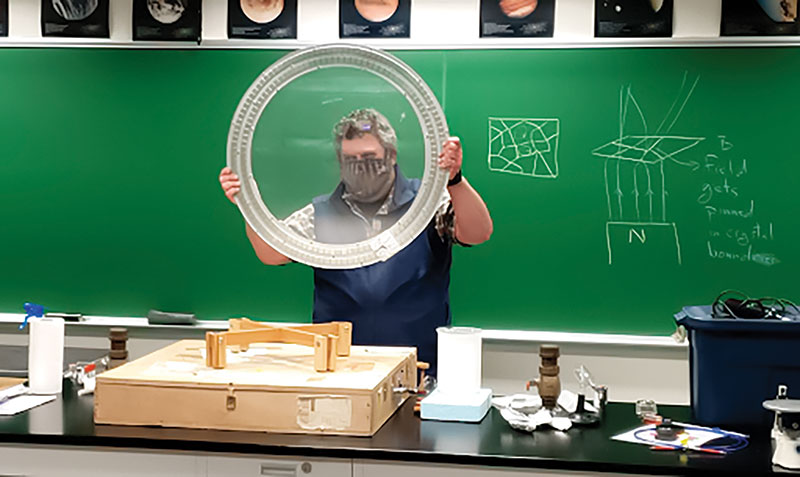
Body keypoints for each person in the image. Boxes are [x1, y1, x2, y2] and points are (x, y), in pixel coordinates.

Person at [219, 108, 492, 374]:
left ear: (391, 155)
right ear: (340, 162)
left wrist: (455, 181)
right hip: (340, 373)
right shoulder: (320, 214)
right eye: (351, 159)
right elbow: (270, 253)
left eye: (370, 156)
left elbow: (478, 232)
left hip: (419, 373)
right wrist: (248, 204)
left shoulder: (426, 203)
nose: (361, 166)